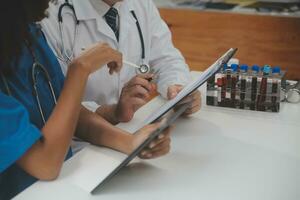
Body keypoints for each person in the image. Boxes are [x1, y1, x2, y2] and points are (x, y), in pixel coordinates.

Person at [0, 1, 172, 199]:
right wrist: (79, 71)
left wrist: (131, 142)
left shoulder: (28, 36)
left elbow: (69, 112)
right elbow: (45, 165)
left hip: (65, 183)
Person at [41, 0, 202, 125]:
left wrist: (178, 90)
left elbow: (166, 59)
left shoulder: (140, 4)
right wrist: (113, 113)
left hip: (131, 130)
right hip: (78, 147)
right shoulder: (50, 17)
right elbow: (57, 103)